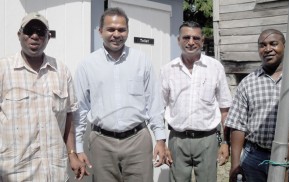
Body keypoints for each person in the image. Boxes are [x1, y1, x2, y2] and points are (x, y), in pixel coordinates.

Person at [74, 7, 168, 182]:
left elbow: (154, 103)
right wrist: (78, 147)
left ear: (127, 31)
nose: (116, 34)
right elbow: (80, 109)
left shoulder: (142, 60)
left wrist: (160, 139)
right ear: (100, 31)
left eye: (121, 29)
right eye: (111, 29)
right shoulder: (87, 65)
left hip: (138, 140)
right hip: (102, 143)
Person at [0, 12, 88, 181]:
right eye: (29, 30)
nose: (34, 36)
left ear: (48, 37)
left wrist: (72, 154)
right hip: (15, 172)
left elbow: (69, 115)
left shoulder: (61, 71)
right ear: (19, 35)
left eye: (40, 32)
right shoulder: (3, 70)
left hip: (53, 171)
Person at [160, 21, 232, 182]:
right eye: (186, 37)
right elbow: (159, 107)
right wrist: (161, 142)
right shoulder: (167, 70)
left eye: (196, 38)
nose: (191, 42)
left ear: (203, 40)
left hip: (207, 140)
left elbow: (225, 108)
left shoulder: (215, 67)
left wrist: (225, 142)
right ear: (178, 40)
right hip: (177, 139)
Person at [225, 29, 289, 182]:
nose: (267, 49)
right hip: (254, 158)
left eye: (273, 44)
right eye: (262, 45)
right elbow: (237, 125)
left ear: (285, 46)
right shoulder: (248, 82)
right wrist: (235, 165)